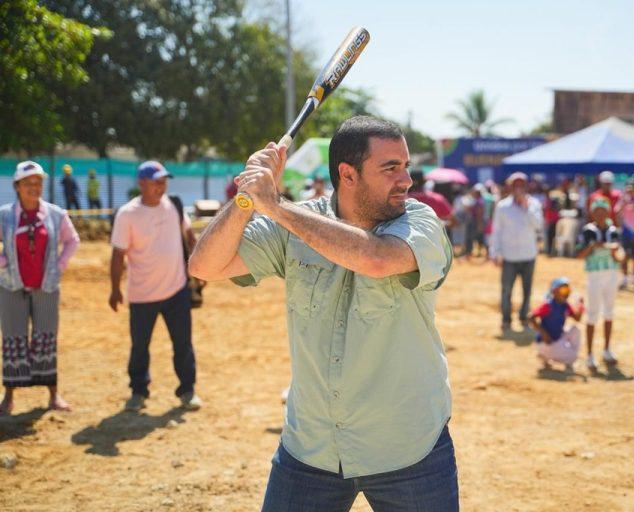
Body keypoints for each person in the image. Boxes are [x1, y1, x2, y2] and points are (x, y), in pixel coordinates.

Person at [188, 116, 458, 511]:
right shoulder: (295, 221)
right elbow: (204, 266)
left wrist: (276, 206)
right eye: (390, 168)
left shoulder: (419, 221)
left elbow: (376, 259)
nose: (407, 180)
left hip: (408, 447)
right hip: (312, 448)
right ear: (348, 174)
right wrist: (248, 196)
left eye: (405, 166)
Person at [109, 161, 202, 412]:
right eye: (156, 181)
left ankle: (187, 390)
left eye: (164, 180)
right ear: (142, 183)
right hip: (141, 294)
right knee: (140, 346)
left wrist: (198, 268)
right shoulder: (127, 214)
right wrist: (115, 288)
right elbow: (118, 254)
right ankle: (138, 391)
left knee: (183, 344)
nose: (162, 186)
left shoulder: (174, 205)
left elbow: (190, 238)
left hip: (177, 290)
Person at [0, 161, 80, 415]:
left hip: (46, 287)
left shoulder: (56, 214)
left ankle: (53, 395)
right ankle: (8, 397)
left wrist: (59, 265)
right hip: (12, 287)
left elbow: (72, 241)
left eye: (38, 183)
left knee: (46, 338)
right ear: (17, 187)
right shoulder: (4, 215)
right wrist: (3, 262)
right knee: (13, 338)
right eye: (28, 183)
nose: (34, 188)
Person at [489, 172, 543, 333]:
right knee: (506, 290)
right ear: (510, 187)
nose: (518, 188)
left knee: (527, 290)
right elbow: (497, 231)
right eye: (515, 185)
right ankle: (506, 320)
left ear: (526, 187)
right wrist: (494, 252)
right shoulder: (502, 206)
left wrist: (526, 207)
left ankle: (523, 317)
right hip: (509, 256)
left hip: (528, 255)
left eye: (521, 185)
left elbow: (538, 225)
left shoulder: (534, 204)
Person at [577, 198, 623, 371]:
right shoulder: (588, 231)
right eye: (597, 212)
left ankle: (607, 349)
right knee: (592, 313)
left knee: (609, 312)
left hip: (610, 274)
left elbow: (618, 256)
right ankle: (589, 354)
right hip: (594, 275)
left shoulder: (613, 231)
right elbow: (580, 254)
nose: (601, 215)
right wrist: (592, 247)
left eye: (604, 211)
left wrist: (614, 253)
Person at [528, 277, 584, 372]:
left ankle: (548, 355)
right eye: (563, 290)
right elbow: (530, 317)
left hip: (557, 338)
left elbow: (577, 318)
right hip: (546, 342)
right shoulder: (549, 305)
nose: (566, 293)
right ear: (554, 291)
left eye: (568, 290)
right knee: (573, 357)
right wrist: (543, 333)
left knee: (576, 330)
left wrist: (581, 306)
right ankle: (548, 354)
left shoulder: (565, 305)